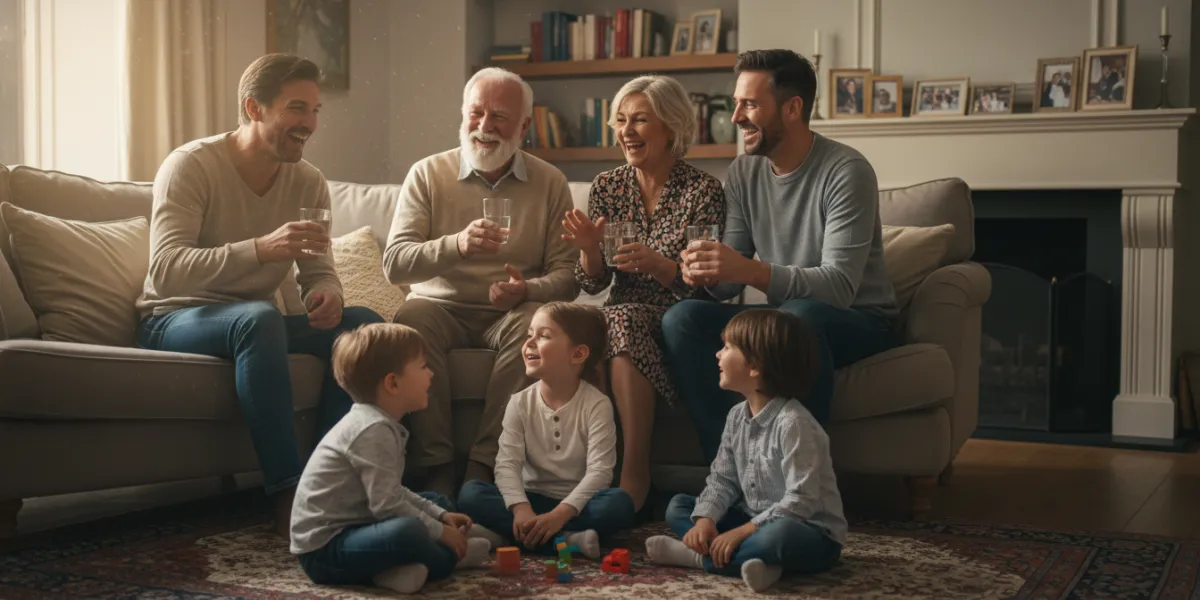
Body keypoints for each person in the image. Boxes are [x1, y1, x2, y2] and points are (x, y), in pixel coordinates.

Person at [134, 53, 385, 534]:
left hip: (251, 325)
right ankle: (287, 491)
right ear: (254, 108)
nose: (309, 123)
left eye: (314, 111)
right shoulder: (190, 166)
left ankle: (327, 480)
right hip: (174, 319)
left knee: (363, 325)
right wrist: (259, 250)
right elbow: (165, 271)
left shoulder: (308, 181)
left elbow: (318, 271)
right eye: (297, 108)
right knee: (258, 318)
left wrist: (326, 294)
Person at [661, 49, 898, 464]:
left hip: (857, 320)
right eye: (736, 103)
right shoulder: (743, 172)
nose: (736, 117)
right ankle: (731, 469)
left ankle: (805, 481)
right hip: (785, 320)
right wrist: (707, 272)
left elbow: (839, 288)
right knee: (683, 319)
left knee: (799, 316)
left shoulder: (846, 171)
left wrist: (748, 269)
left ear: (792, 108)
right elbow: (731, 282)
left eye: (750, 104)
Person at [383, 67, 579, 499]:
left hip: (510, 310)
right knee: (411, 316)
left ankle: (483, 467)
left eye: (500, 117)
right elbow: (395, 264)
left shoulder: (550, 183)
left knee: (537, 324)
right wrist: (456, 245)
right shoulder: (427, 174)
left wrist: (527, 290)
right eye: (476, 113)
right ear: (463, 114)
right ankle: (436, 468)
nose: (485, 127)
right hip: (439, 308)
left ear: (524, 126)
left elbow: (568, 277)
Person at [562, 75, 725, 511]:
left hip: (679, 313)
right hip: (622, 308)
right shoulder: (607, 188)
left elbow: (710, 285)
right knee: (574, 323)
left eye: (639, 120)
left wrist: (658, 263)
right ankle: (569, 476)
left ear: (671, 127)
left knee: (620, 319)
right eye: (620, 121)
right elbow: (595, 284)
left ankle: (634, 473)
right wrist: (589, 251)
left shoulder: (702, 191)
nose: (626, 131)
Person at [646, 310, 846, 592]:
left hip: (808, 532)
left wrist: (742, 533)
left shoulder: (794, 423)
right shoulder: (736, 416)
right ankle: (764, 565)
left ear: (754, 366)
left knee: (778, 536)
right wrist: (706, 520)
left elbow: (801, 501)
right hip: (752, 520)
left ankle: (696, 558)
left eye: (727, 347)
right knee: (679, 506)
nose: (717, 355)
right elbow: (723, 480)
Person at [290, 323, 490, 594]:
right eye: (423, 367)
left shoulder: (381, 423)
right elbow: (387, 506)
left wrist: (440, 515)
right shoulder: (372, 430)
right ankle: (451, 557)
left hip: (359, 525)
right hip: (325, 551)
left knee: (436, 501)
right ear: (393, 383)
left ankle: (399, 569)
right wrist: (441, 532)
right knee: (409, 531)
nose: (431, 374)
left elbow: (393, 492)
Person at [457, 302, 636, 558]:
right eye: (529, 334)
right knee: (471, 493)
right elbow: (506, 465)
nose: (529, 342)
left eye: (543, 336)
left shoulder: (597, 404)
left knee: (619, 504)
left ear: (577, 354)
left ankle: (507, 535)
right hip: (529, 499)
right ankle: (566, 541)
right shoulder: (519, 402)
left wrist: (559, 515)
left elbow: (600, 472)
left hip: (574, 505)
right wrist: (520, 509)